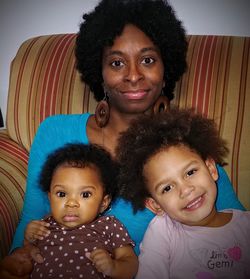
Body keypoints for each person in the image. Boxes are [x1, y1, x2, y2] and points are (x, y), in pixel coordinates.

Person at [0, 0, 244, 278]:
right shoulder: (55, 132)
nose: (133, 75)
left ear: (166, 71)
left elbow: (233, 226)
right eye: (117, 63)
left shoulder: (184, 143)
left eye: (148, 60)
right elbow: (29, 224)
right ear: (100, 74)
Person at [116, 108, 250, 278]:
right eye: (167, 188)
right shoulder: (163, 232)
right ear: (155, 205)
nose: (186, 190)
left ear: (211, 169)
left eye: (190, 172)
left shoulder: (246, 225)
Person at [25, 143, 137, 279]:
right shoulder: (44, 225)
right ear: (50, 197)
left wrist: (113, 267)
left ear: (103, 202)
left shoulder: (109, 226)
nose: (71, 203)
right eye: (61, 194)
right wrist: (28, 240)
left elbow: (130, 262)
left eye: (85, 194)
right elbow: (28, 253)